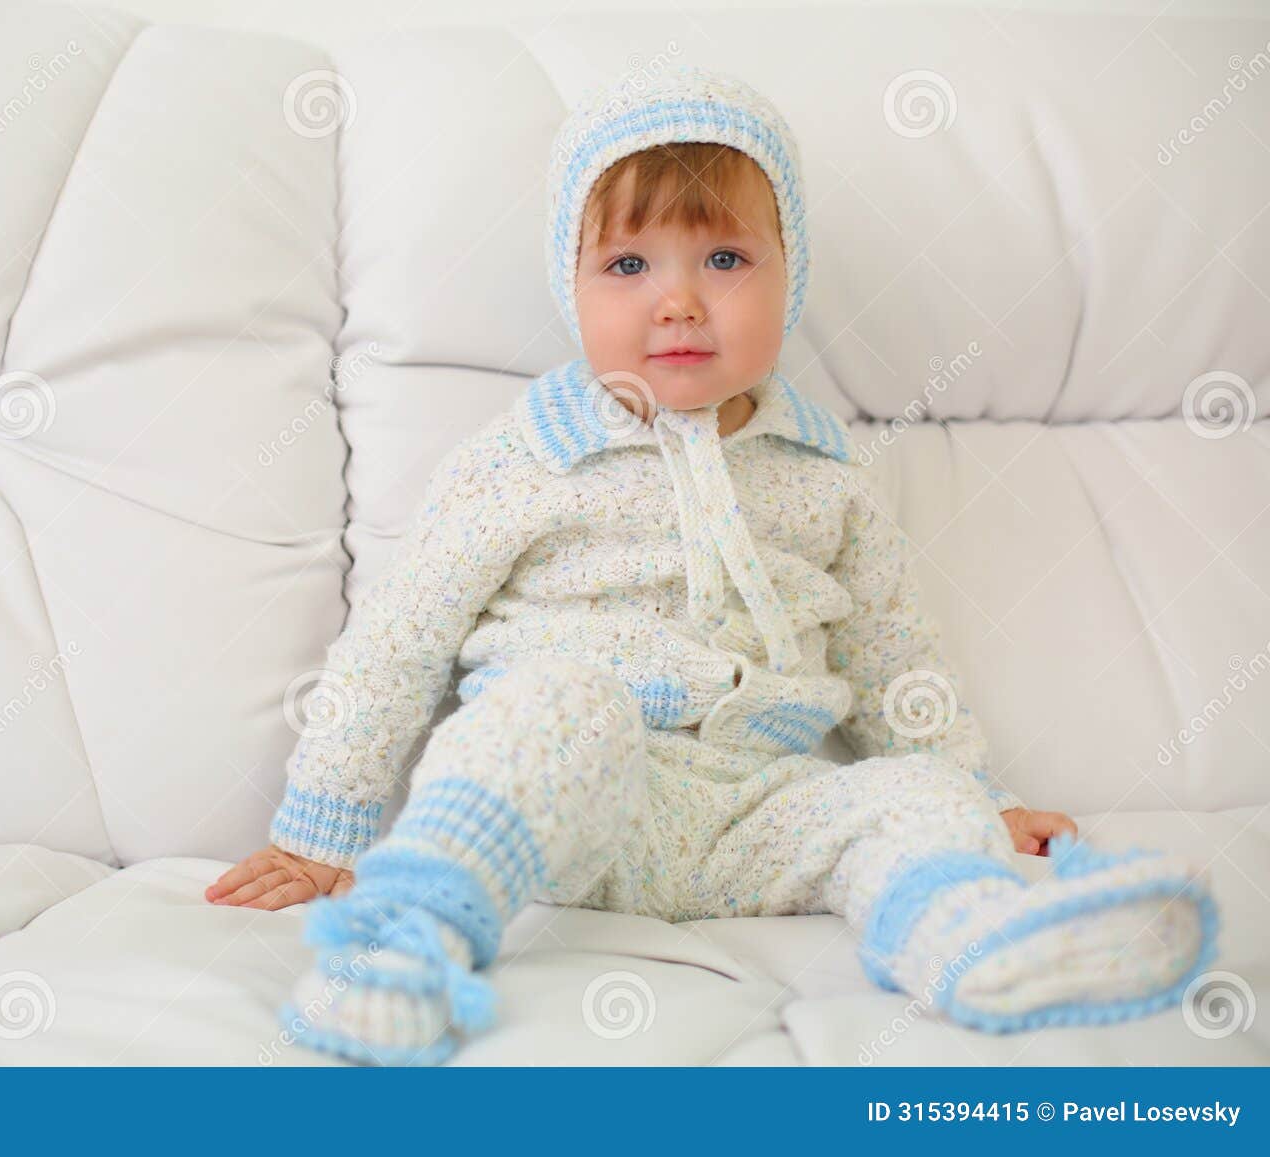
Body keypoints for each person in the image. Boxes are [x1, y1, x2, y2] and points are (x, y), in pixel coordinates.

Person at [207, 65, 1218, 1066]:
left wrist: (982, 797)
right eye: (628, 266)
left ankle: (976, 940)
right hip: (574, 802)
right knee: (551, 702)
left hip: (757, 811)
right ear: (571, 283)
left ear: (793, 275)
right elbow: (396, 641)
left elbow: (896, 659)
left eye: (726, 259)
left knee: (910, 792)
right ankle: (408, 941)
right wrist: (320, 827)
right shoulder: (526, 456)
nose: (680, 301)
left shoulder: (826, 473)